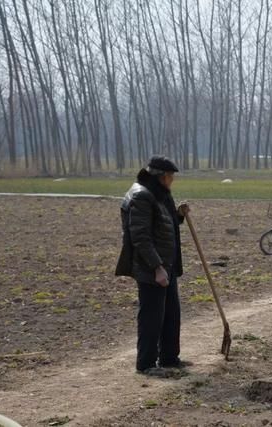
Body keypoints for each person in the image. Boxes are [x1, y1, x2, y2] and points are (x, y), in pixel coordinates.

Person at [115, 155, 190, 376]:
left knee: (170, 314)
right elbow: (141, 237)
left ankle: (169, 358)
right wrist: (157, 267)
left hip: (167, 266)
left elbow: (163, 224)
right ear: (159, 177)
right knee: (151, 317)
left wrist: (178, 214)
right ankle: (146, 364)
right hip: (150, 269)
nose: (171, 182)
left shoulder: (157, 194)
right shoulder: (141, 197)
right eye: (169, 177)